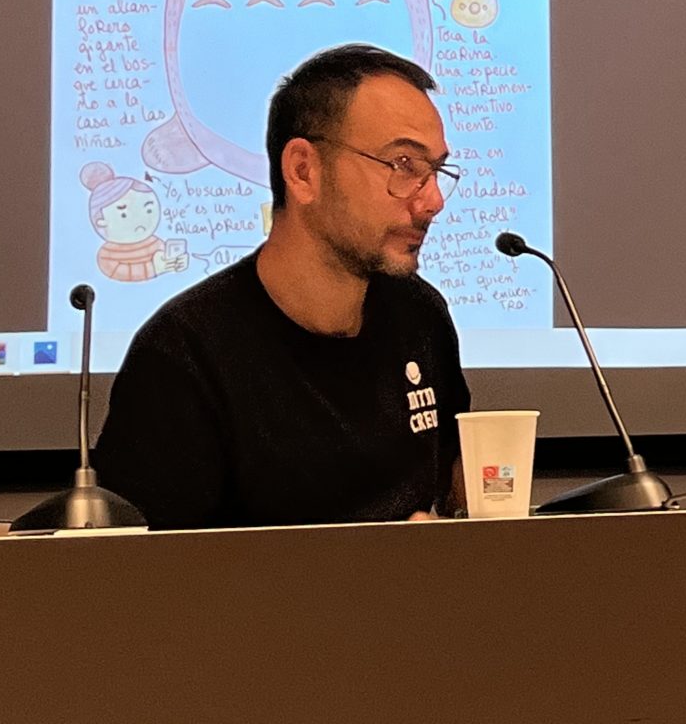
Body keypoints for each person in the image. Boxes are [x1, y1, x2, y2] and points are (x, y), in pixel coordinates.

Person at [97, 44, 473, 528]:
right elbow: (143, 568)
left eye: (436, 170)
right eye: (403, 165)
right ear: (302, 171)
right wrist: (375, 561)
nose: (433, 201)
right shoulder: (184, 356)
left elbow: (453, 488)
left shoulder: (420, 316)